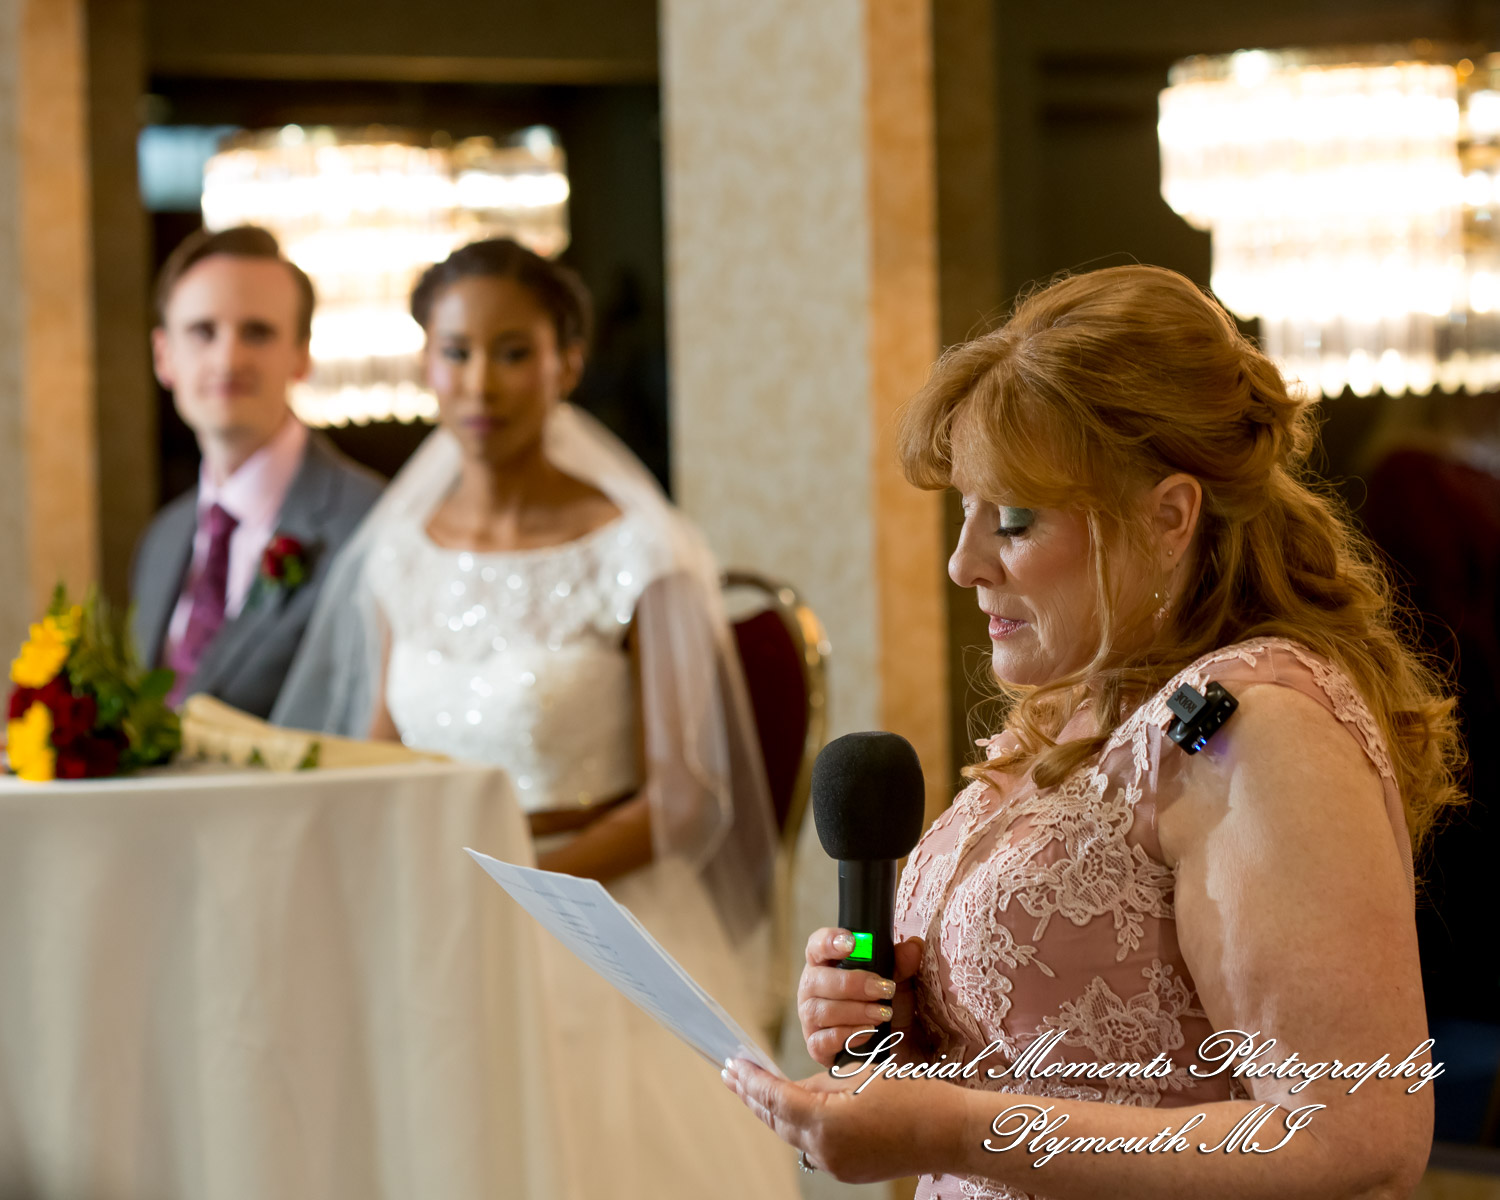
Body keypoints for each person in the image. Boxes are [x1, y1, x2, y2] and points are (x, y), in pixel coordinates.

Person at [722, 265, 1461, 1199]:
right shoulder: (1072, 715)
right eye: (965, 512)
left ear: (1168, 517)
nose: (963, 563)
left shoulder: (1259, 729)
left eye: (1013, 520)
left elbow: (1354, 1137)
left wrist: (952, 1126)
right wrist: (912, 1039)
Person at [273, 238, 798, 1199]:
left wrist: (521, 889)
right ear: (426, 363)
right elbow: (380, 755)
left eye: (513, 352)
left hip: (597, 919)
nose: (481, 383)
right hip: (433, 912)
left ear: (567, 363)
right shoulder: (398, 552)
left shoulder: (643, 551)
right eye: (456, 352)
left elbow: (683, 803)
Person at [130, 226, 382, 718]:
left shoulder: (369, 527)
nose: (229, 359)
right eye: (203, 332)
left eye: (258, 332)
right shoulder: (162, 538)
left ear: (301, 355)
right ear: (164, 357)